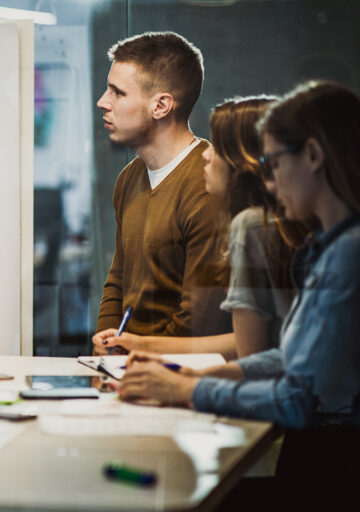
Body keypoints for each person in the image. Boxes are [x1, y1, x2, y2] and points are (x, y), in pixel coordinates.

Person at [119, 81, 360, 493]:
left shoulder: (347, 254)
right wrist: (206, 376)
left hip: (334, 460)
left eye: (276, 162)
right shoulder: (331, 246)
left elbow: (296, 398)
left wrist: (189, 389)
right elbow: (289, 358)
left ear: (314, 156)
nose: (270, 181)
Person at [93, 96, 307, 359]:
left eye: (218, 146)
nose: (205, 153)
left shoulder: (251, 227)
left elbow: (252, 356)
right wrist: (136, 347)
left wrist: (164, 374)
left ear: (245, 161)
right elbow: (249, 345)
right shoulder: (128, 179)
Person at [93, 31, 229, 351]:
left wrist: (135, 353)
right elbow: (118, 281)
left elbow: (199, 321)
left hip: (178, 374)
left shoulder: (208, 185)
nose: (103, 101)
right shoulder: (129, 178)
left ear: (161, 105)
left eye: (117, 92)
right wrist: (106, 341)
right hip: (126, 365)